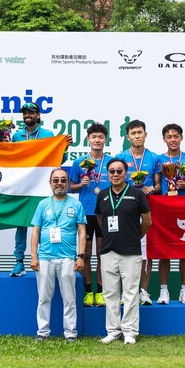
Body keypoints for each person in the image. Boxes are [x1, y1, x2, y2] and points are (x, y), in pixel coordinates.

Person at [95, 159, 152, 344]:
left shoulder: (137, 194)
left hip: (131, 251)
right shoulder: (102, 195)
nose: (115, 174)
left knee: (130, 292)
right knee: (110, 293)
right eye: (112, 171)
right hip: (108, 250)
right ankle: (113, 330)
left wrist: (135, 236)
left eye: (119, 171)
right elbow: (100, 219)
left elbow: (147, 221)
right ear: (108, 173)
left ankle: (130, 332)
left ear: (126, 173)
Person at [29, 168, 86, 342]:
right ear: (50, 183)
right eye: (56, 180)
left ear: (68, 183)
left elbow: (82, 231)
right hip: (45, 257)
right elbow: (36, 231)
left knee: (69, 298)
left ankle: (70, 333)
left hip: (68, 258)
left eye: (63, 180)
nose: (59, 183)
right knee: (44, 298)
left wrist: (80, 256)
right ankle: (42, 331)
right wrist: (33, 256)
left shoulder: (76, 204)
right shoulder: (43, 204)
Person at [11, 101, 66, 277]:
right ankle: (19, 262)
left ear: (38, 115)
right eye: (25, 113)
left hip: (41, 187)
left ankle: (45, 259)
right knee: (20, 224)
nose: (27, 115)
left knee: (44, 224)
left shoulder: (48, 134)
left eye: (31, 112)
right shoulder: (17, 136)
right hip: (23, 187)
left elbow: (58, 160)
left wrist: (65, 148)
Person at [115, 120, 159, 305]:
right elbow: (116, 183)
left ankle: (144, 291)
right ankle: (126, 293)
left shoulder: (154, 157)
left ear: (146, 134)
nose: (137, 136)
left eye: (140, 132)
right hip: (126, 210)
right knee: (123, 252)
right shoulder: (120, 157)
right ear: (128, 137)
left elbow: (158, 185)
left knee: (146, 253)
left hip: (146, 210)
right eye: (133, 133)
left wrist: (152, 189)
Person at [69, 123, 112, 306]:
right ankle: (88, 291)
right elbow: (70, 186)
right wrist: (81, 184)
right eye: (94, 137)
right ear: (88, 139)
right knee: (85, 253)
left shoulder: (111, 162)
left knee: (103, 253)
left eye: (100, 137)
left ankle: (101, 292)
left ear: (105, 140)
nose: (97, 140)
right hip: (84, 213)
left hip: (105, 213)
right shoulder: (79, 162)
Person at [153, 123, 185, 305]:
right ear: (164, 139)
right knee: (164, 251)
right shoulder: (158, 160)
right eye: (169, 136)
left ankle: (184, 291)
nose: (172, 139)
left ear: (181, 138)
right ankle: (164, 291)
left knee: (184, 252)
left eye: (176, 136)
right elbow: (156, 186)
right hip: (164, 209)